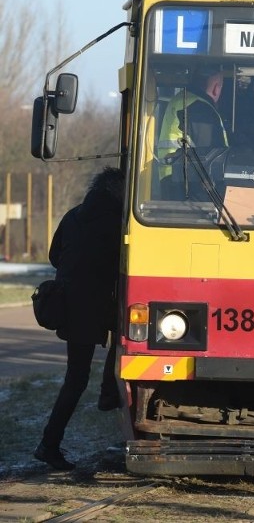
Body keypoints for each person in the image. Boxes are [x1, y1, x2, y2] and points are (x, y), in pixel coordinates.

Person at [33, 167, 125, 471]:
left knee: (75, 376)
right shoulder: (118, 221)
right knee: (128, 336)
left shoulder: (74, 215)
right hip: (101, 305)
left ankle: (51, 443)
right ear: (119, 191)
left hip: (72, 306)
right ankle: (49, 444)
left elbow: (54, 255)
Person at [158, 64, 228, 197]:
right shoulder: (199, 108)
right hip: (189, 186)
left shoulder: (183, 100)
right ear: (216, 87)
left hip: (174, 180)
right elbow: (211, 158)